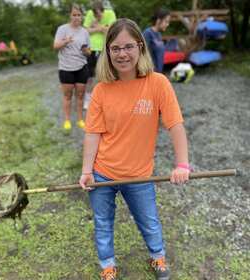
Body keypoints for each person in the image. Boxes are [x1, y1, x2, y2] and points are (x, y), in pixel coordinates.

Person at [79, 18, 191, 280]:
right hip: (103, 172)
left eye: (128, 46)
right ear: (107, 52)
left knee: (149, 222)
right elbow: (93, 134)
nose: (122, 54)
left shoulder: (158, 83)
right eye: (115, 48)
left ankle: (158, 258)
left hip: (140, 174)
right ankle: (107, 265)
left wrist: (182, 164)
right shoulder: (101, 90)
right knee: (103, 223)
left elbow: (175, 125)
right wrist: (87, 171)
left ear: (141, 47)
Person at [53, 4, 90, 131]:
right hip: (66, 67)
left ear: (82, 16)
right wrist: (66, 41)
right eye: (74, 15)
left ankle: (80, 119)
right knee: (67, 96)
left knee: (80, 95)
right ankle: (67, 120)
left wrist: (86, 51)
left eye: (79, 15)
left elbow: (88, 51)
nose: (76, 17)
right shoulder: (62, 29)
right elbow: (55, 46)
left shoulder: (85, 31)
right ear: (70, 15)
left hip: (81, 67)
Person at [83, 0, 116, 109]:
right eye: (95, 15)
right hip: (90, 48)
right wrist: (101, 27)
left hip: (104, 48)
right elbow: (85, 31)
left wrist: (95, 27)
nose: (97, 17)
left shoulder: (110, 14)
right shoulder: (89, 13)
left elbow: (111, 30)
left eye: (99, 14)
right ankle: (88, 99)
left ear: (103, 10)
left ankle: (104, 99)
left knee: (104, 74)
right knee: (89, 76)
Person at [143, 8, 177, 73]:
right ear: (158, 20)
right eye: (166, 21)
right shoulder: (147, 33)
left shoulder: (159, 34)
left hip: (158, 73)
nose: (168, 24)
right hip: (149, 73)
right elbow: (142, 55)